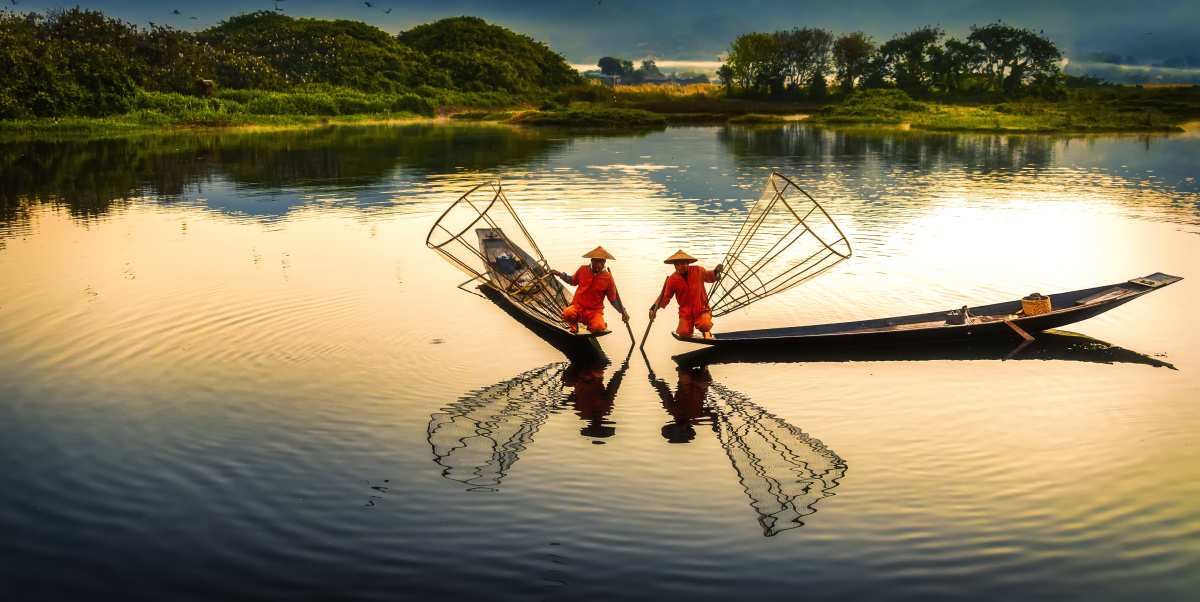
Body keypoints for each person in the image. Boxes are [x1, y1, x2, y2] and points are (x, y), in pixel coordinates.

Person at [552, 246, 630, 334]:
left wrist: (623, 312)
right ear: (592, 261)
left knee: (599, 327)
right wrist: (559, 274)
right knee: (567, 314)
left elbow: (613, 299)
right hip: (578, 306)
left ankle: (591, 326)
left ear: (604, 262)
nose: (599, 265)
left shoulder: (608, 278)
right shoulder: (582, 270)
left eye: (602, 262)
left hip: (594, 311)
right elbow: (572, 281)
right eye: (596, 261)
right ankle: (574, 328)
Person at [649, 250, 723, 339]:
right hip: (686, 312)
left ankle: (707, 332)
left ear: (688, 263)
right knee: (684, 333)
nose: (680, 266)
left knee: (705, 325)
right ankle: (684, 329)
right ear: (674, 265)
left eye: (683, 263)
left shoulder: (698, 270)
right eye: (677, 264)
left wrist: (716, 271)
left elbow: (709, 276)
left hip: (701, 308)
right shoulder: (672, 280)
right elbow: (665, 296)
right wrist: (653, 308)